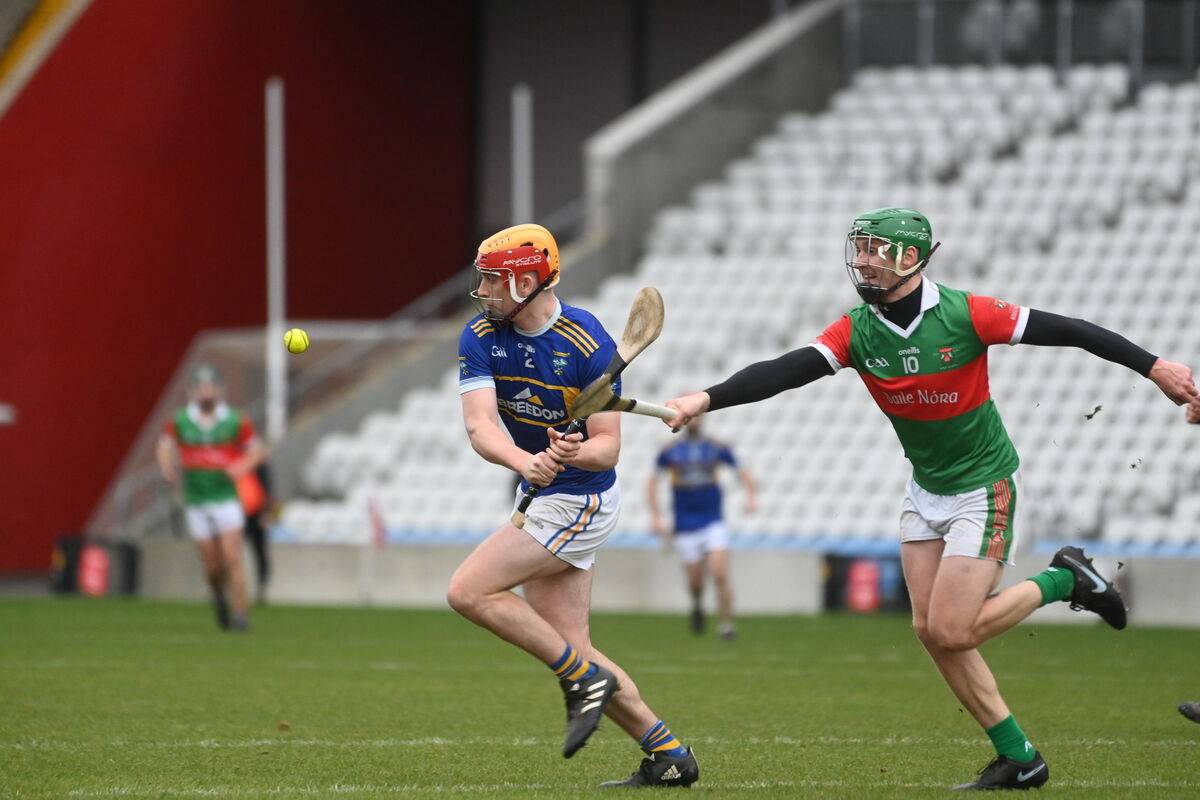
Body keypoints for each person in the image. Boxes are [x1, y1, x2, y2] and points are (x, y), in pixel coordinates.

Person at [662, 207, 1200, 791]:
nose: (864, 261)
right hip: (926, 489)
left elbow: (1070, 329)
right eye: (861, 249)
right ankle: (1020, 757)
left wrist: (1155, 367)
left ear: (913, 258)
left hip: (983, 487)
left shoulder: (966, 313)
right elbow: (786, 370)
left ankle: (1065, 581)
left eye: (877, 251)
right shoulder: (857, 328)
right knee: (930, 631)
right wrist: (706, 399)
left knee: (953, 630)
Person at [447, 223, 699, 788]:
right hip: (539, 492)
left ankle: (582, 680)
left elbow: (608, 448)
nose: (484, 291)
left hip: (582, 501)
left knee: (468, 591)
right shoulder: (480, 336)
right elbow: (479, 426)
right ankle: (669, 756)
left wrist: (574, 451)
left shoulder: (588, 343)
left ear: (532, 281)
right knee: (575, 647)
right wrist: (523, 460)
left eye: (495, 280)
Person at [157, 364, 267, 631]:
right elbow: (164, 446)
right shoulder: (180, 419)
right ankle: (219, 596)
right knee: (213, 568)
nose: (206, 392)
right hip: (196, 500)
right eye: (201, 387)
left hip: (226, 498)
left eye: (210, 387)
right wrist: (167, 466)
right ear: (193, 391)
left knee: (232, 558)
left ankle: (241, 615)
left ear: (219, 390)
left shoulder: (235, 419)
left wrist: (243, 466)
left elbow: (259, 451)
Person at [647, 417, 756, 639]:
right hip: (685, 525)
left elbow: (742, 471)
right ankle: (697, 603)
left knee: (719, 573)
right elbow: (652, 482)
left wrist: (750, 496)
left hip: (713, 521)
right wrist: (656, 515)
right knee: (696, 582)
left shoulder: (715, 448)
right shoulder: (671, 451)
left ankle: (726, 625)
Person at [238, 461, 274, 605]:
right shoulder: (235, 459)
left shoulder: (259, 464)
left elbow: (267, 488)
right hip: (239, 512)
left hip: (257, 512)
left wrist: (266, 512)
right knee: (233, 552)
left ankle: (261, 587)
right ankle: (235, 588)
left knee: (260, 551)